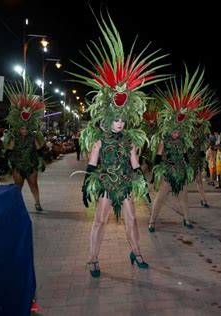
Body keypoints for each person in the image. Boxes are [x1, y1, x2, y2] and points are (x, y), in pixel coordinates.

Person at [73, 15, 166, 277]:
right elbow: (92, 164)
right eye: (116, 119)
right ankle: (92, 259)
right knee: (100, 220)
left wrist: (143, 185)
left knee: (133, 219)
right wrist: (85, 187)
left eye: (123, 119)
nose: (120, 123)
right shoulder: (100, 139)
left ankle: (137, 253)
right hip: (105, 182)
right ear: (107, 117)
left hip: (125, 181)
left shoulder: (129, 139)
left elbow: (135, 162)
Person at [148, 66, 207, 232]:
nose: (176, 133)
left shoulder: (183, 141)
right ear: (170, 128)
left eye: (178, 131)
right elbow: (158, 157)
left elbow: (185, 155)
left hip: (180, 171)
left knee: (184, 197)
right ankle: (152, 221)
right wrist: (156, 172)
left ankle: (187, 219)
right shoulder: (164, 141)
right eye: (174, 131)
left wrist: (188, 167)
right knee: (161, 197)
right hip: (167, 171)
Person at [3, 80, 46, 212]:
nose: (24, 131)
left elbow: (40, 148)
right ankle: (16, 206)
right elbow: (9, 150)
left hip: (31, 165)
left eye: (26, 129)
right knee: (18, 187)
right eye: (22, 129)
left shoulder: (33, 137)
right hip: (18, 165)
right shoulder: (13, 138)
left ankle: (37, 203)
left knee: (34, 185)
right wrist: (10, 162)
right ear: (18, 128)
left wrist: (39, 139)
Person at [191, 99, 221, 207]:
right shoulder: (189, 129)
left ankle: (203, 200)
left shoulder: (202, 130)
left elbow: (204, 143)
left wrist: (204, 152)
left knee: (199, 180)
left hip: (197, 158)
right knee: (184, 182)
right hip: (188, 158)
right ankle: (182, 200)